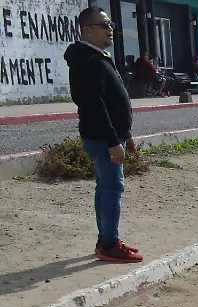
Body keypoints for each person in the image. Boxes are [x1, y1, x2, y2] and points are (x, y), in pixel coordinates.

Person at [64, 7, 142, 263]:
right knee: (112, 188)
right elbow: (94, 105)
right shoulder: (87, 62)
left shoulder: (99, 57)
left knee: (105, 188)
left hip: (111, 136)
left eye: (111, 24)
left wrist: (126, 135)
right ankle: (109, 244)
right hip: (102, 137)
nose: (110, 29)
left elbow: (113, 100)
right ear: (87, 30)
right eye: (104, 25)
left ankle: (105, 239)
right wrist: (112, 142)